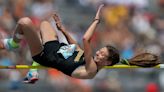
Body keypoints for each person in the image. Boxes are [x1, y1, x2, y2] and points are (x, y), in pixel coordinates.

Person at [0, 4, 159, 84]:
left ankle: (14, 45)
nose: (98, 53)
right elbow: (76, 46)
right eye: (100, 50)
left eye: (102, 54)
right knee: (44, 24)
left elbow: (85, 39)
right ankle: (32, 69)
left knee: (25, 22)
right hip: (54, 45)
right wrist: (63, 30)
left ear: (108, 62)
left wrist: (96, 20)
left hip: (43, 55)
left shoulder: (91, 69)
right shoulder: (86, 58)